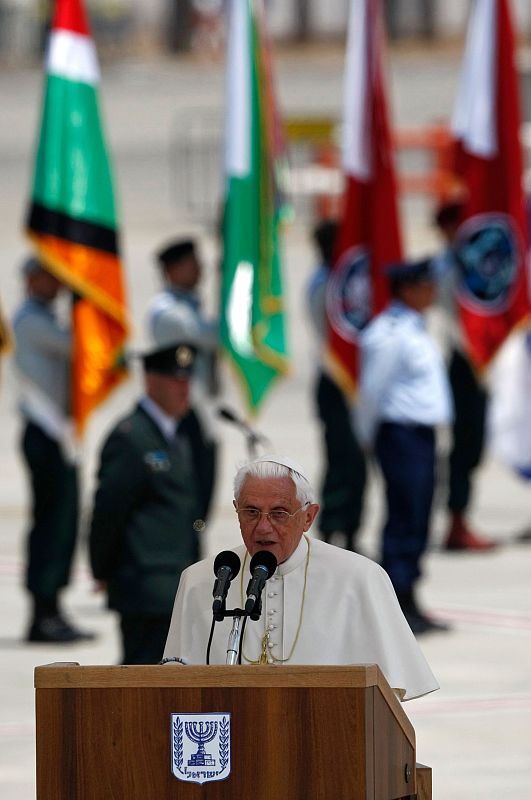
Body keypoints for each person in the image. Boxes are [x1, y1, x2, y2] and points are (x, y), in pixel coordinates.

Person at [163, 455, 439, 701]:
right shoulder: (201, 580)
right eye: (251, 512)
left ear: (308, 517)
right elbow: (173, 688)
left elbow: (387, 698)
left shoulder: (359, 579)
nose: (263, 527)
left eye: (279, 513)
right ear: (236, 511)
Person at [89, 342, 203, 664]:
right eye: (175, 381)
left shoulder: (178, 434)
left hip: (173, 584)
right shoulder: (131, 437)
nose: (184, 389)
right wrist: (101, 568)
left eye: (187, 381)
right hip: (143, 586)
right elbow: (108, 512)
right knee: (142, 683)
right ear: (151, 382)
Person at [357, 258, 453, 635]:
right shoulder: (389, 333)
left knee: (420, 515)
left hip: (421, 436)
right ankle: (397, 599)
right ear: (408, 289)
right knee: (403, 516)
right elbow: (371, 392)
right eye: (426, 285)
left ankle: (411, 595)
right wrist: (366, 437)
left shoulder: (415, 328)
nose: (433, 292)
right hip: (399, 435)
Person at [11, 255, 93, 643]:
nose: (55, 285)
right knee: (51, 524)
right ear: (30, 280)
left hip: (57, 434)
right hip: (43, 433)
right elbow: (77, 346)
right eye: (49, 278)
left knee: (63, 524)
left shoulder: (45, 317)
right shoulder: (30, 320)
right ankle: (42, 612)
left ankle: (53, 607)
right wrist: (84, 304)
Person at [433, 201, 496, 551]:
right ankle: (456, 521)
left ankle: (460, 516)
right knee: (464, 446)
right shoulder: (446, 267)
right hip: (463, 358)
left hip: (482, 361)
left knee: (475, 445)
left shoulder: (478, 258)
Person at [146, 238, 218, 522]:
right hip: (182, 413)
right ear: (172, 271)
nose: (201, 269)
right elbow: (211, 336)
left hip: (198, 410)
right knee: (190, 497)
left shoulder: (189, 306)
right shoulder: (168, 311)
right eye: (192, 264)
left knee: (201, 496)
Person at [306, 220, 366, 551]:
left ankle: (352, 528)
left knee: (358, 462)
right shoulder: (324, 286)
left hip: (352, 383)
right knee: (340, 458)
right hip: (333, 380)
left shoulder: (342, 281)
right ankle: (332, 529)